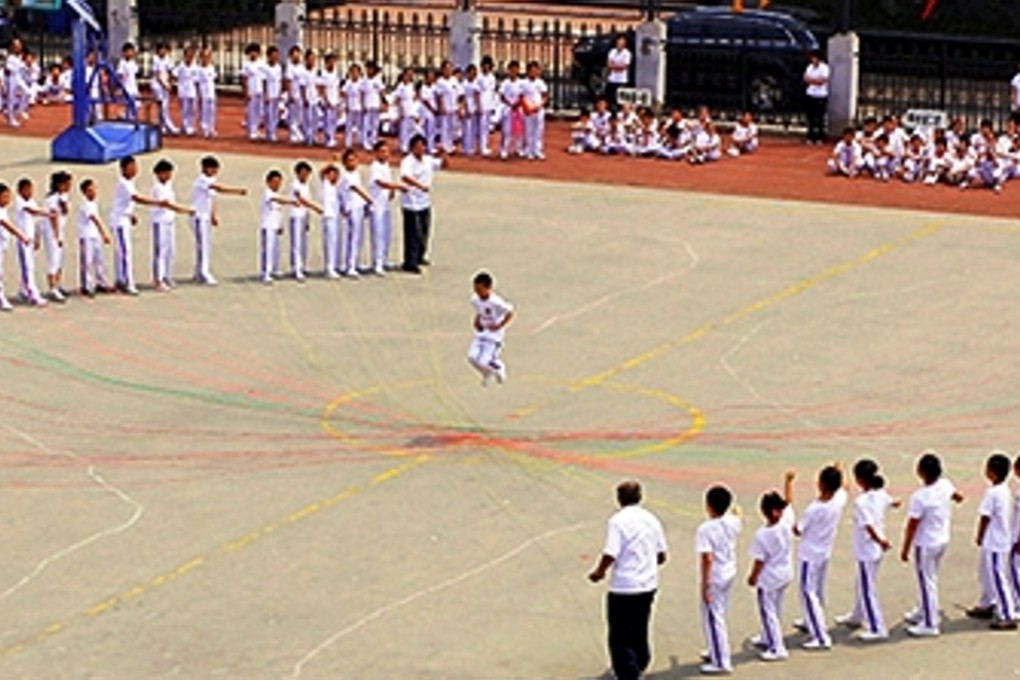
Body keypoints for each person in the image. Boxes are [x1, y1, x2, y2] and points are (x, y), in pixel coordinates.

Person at [588, 480, 667, 680]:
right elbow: (661, 555)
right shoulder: (652, 519)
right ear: (640, 497)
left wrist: (600, 571)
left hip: (624, 586)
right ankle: (641, 662)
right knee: (640, 627)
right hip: (647, 584)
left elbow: (610, 552)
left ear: (619, 499)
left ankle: (628, 672)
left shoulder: (618, 521)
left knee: (620, 634)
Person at [900, 450, 964, 637]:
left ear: (920, 472)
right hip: (942, 538)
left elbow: (912, 525)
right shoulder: (945, 485)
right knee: (930, 576)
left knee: (926, 580)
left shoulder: (920, 497)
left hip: (925, 543)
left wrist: (905, 548)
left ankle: (930, 622)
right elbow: (957, 495)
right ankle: (923, 609)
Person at [835, 459, 896, 641]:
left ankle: (877, 627)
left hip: (868, 549)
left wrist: (881, 541)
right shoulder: (881, 494)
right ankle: (857, 614)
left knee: (867, 588)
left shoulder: (861, 502)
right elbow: (889, 501)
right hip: (873, 550)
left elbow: (868, 526)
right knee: (861, 583)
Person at [793, 462, 847, 651]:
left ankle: (820, 635)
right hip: (824, 551)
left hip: (810, 554)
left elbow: (798, 530)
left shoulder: (814, 509)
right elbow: (843, 488)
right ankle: (813, 619)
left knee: (808, 592)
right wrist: (839, 470)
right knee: (817, 590)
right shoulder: (839, 500)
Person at [747, 471, 795, 664]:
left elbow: (759, 561)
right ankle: (768, 636)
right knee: (776, 608)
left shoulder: (763, 534)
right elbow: (789, 502)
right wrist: (788, 482)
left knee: (768, 611)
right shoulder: (786, 521)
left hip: (770, 577)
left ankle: (777, 647)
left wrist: (752, 577)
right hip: (785, 571)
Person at [966, 452, 1018, 629]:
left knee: (998, 575)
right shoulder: (1004, 490)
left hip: (996, 541)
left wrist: (979, 534)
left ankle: (1007, 613)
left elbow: (985, 517)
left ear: (992, 473)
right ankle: (986, 602)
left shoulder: (993, 493)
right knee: (985, 572)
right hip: (996, 539)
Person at [697, 485, 741, 675]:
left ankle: (722, 662)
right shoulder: (733, 522)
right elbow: (738, 513)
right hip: (729, 570)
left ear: (708, 506)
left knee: (714, 617)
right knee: (719, 612)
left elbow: (707, 559)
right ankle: (716, 649)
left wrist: (704, 584)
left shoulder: (705, 529)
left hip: (715, 575)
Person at [110, 156, 167, 296]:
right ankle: (127, 283)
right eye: (131, 167)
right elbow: (137, 198)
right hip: (119, 222)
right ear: (124, 169)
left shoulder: (129, 183)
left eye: (135, 167)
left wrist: (130, 214)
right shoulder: (124, 184)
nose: (135, 170)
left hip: (123, 218)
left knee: (121, 252)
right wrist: (157, 203)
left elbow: (123, 203)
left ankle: (121, 279)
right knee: (125, 252)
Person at [190, 155, 247, 286]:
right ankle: (204, 273)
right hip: (198, 217)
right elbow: (219, 189)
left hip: (206, 217)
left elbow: (213, 198)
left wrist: (213, 215)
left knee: (205, 245)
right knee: (203, 245)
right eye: (213, 169)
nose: (215, 171)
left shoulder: (210, 180)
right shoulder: (202, 180)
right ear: (205, 168)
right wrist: (237, 191)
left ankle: (199, 272)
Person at [399, 135, 447, 274]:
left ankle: (420, 255)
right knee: (412, 233)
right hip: (411, 202)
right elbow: (405, 177)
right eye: (418, 146)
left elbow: (443, 165)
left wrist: (443, 153)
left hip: (424, 201)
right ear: (412, 148)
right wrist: (420, 186)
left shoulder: (427, 160)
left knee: (424, 230)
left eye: (423, 146)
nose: (421, 149)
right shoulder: (407, 161)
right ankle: (410, 261)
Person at [149, 159, 195, 292]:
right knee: (160, 252)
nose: (169, 176)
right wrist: (185, 210)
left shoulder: (168, 185)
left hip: (169, 221)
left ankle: (167, 275)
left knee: (171, 250)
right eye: (166, 173)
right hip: (160, 222)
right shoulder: (157, 188)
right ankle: (158, 279)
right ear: (159, 174)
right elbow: (167, 204)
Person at [466, 270, 514, 386]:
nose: (477, 292)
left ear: (488, 288)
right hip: (481, 332)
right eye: (475, 289)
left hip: (493, 335)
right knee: (472, 357)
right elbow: (480, 311)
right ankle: (486, 373)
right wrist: (476, 321)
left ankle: (499, 366)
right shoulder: (475, 300)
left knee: (485, 360)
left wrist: (499, 325)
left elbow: (510, 312)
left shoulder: (496, 302)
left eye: (480, 289)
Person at [14, 177, 54, 306]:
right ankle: (33, 294)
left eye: (31, 189)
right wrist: (48, 214)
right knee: (28, 267)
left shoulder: (31, 201)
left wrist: (37, 238)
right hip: (23, 239)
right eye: (27, 190)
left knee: (30, 266)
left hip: (30, 239)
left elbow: (36, 221)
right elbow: (33, 211)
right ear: (20, 191)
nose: (30, 192)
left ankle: (23, 290)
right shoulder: (19, 202)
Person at [368, 141, 405, 276]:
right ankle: (377, 263)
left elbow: (387, 182)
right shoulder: (375, 167)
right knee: (378, 235)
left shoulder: (386, 166)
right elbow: (380, 182)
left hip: (385, 205)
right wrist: (397, 187)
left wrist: (392, 191)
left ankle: (384, 259)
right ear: (376, 153)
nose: (385, 154)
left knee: (386, 234)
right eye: (382, 151)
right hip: (376, 206)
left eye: (387, 151)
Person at [340, 149, 373, 278]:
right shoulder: (346, 176)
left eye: (354, 160)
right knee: (353, 237)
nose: (352, 163)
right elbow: (356, 189)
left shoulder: (356, 174)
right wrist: (369, 199)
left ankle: (355, 261)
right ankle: (350, 266)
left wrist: (365, 205)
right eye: (349, 160)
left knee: (358, 237)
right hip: (352, 208)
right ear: (344, 163)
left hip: (358, 207)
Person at [76, 178, 112, 298]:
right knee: (87, 262)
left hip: (94, 236)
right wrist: (104, 234)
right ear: (85, 192)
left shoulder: (93, 204)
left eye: (94, 189)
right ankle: (87, 286)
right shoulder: (85, 205)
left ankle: (101, 282)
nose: (93, 192)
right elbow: (95, 220)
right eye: (90, 190)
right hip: (86, 236)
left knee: (99, 260)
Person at [258, 170, 295, 285]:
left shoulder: (276, 194)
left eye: (279, 182)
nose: (277, 185)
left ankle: (274, 269)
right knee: (268, 250)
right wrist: (291, 201)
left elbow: (279, 211)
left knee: (276, 249)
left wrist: (280, 225)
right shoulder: (267, 193)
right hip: (267, 226)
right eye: (274, 182)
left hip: (274, 226)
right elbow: (277, 200)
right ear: (268, 182)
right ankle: (266, 273)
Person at [288, 160, 321, 281]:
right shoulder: (295, 185)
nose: (305, 176)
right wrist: (316, 208)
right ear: (297, 173)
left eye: (307, 173)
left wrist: (308, 219)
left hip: (303, 216)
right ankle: (296, 268)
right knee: (296, 243)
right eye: (303, 173)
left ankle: (302, 265)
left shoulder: (306, 186)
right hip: (296, 216)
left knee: (303, 243)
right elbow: (301, 200)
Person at [0, 182, 30, 311]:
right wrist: (21, 236)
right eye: (5, 196)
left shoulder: (3, 210)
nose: (8, 199)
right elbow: (7, 226)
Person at [319, 162, 342, 279]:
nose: (335, 177)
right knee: (330, 243)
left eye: (336, 175)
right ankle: (329, 268)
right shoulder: (325, 184)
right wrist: (332, 162)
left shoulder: (335, 187)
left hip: (335, 217)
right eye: (332, 174)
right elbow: (321, 172)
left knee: (335, 242)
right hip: (328, 217)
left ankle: (334, 265)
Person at [521, 61, 548, 160]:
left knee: (539, 130)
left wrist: (539, 105)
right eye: (531, 70)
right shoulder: (523, 83)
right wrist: (526, 107)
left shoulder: (540, 82)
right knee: (529, 130)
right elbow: (521, 97)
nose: (534, 72)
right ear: (528, 71)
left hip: (538, 109)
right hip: (528, 110)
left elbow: (545, 97)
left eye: (536, 70)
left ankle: (537, 150)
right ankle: (529, 150)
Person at [151, 43, 179, 135]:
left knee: (164, 106)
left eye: (165, 50)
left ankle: (161, 125)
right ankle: (169, 126)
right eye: (161, 50)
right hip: (158, 86)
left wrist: (171, 83)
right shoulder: (156, 60)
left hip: (165, 85)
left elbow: (172, 72)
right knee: (163, 106)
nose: (163, 52)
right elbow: (158, 76)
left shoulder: (168, 59)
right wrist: (165, 85)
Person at [498, 60, 524, 160]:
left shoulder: (521, 83)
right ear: (508, 70)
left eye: (515, 70)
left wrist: (517, 104)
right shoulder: (505, 83)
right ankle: (504, 149)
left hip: (518, 109)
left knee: (519, 130)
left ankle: (518, 148)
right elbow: (502, 96)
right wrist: (510, 104)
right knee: (507, 130)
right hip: (508, 109)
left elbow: (522, 95)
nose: (513, 72)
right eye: (511, 70)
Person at [803, 50, 829, 146]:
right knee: (811, 117)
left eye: (815, 58)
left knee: (820, 117)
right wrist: (814, 81)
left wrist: (812, 80)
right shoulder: (809, 67)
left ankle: (820, 137)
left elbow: (822, 81)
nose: (813, 60)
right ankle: (810, 136)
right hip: (810, 94)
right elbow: (805, 78)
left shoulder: (824, 68)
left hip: (821, 95)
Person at [241, 43, 265, 141]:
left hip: (259, 89)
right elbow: (243, 79)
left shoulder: (261, 63)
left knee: (259, 111)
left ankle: (256, 129)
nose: (253, 54)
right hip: (251, 89)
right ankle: (251, 131)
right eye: (251, 52)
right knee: (251, 111)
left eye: (255, 52)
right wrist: (246, 92)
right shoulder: (246, 64)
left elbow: (264, 78)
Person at [319, 53, 342, 149]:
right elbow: (322, 88)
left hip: (335, 99)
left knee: (333, 120)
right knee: (327, 120)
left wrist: (338, 99)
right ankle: (328, 138)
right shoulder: (323, 74)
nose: (332, 63)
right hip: (328, 101)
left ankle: (331, 137)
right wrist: (326, 100)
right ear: (326, 63)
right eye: (330, 61)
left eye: (333, 61)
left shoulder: (336, 73)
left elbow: (337, 87)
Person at [175, 46, 200, 137]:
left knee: (192, 110)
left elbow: (197, 81)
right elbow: (174, 75)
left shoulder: (196, 66)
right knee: (184, 110)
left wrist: (198, 92)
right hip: (183, 91)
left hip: (192, 91)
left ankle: (190, 126)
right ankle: (186, 127)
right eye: (188, 55)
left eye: (192, 55)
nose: (190, 57)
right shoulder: (180, 66)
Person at [284, 45, 306, 144]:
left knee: (300, 115)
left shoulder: (302, 67)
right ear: (291, 56)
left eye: (298, 54)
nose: (296, 57)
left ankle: (298, 132)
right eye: (294, 55)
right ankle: (293, 134)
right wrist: (290, 94)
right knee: (292, 115)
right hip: (293, 93)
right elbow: (288, 81)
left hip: (300, 94)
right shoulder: (290, 67)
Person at [362, 60, 385, 150]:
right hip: (367, 104)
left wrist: (383, 103)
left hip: (376, 104)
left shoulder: (377, 80)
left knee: (375, 124)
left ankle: (373, 140)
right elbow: (362, 93)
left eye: (371, 68)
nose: (369, 70)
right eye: (368, 68)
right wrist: (363, 104)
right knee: (366, 124)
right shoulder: (364, 80)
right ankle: (366, 142)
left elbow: (381, 92)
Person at [263, 46, 284, 143]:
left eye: (276, 56)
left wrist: (280, 92)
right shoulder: (265, 68)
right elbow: (264, 81)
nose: (275, 58)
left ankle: (273, 131)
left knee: (275, 114)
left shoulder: (278, 67)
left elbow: (279, 80)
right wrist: (266, 94)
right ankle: (269, 132)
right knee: (269, 114)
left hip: (276, 93)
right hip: (269, 93)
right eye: (273, 56)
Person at [605, 35, 632, 110]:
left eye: (621, 43)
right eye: (618, 43)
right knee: (610, 100)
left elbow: (624, 66)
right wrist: (615, 66)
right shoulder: (612, 51)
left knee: (620, 102)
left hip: (622, 81)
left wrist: (614, 66)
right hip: (611, 79)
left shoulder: (627, 53)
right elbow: (608, 64)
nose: (619, 45)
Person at [343, 63, 366, 150]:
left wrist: (363, 105)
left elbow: (363, 95)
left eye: (356, 72)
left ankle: (360, 141)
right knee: (348, 125)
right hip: (350, 105)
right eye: (352, 72)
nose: (354, 74)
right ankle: (348, 142)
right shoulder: (348, 83)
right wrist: (346, 105)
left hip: (359, 106)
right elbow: (344, 94)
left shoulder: (361, 83)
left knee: (360, 125)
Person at [196, 48, 218, 139]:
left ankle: (211, 128)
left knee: (212, 111)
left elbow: (212, 80)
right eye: (204, 57)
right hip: (203, 92)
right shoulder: (198, 69)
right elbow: (197, 83)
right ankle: (204, 129)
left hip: (211, 92)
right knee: (204, 111)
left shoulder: (211, 68)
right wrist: (199, 94)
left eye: (208, 57)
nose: (206, 59)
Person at [116, 42, 140, 116]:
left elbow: (136, 72)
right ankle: (125, 117)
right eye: (129, 51)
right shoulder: (122, 63)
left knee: (136, 106)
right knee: (129, 107)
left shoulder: (133, 62)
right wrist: (120, 88)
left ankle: (123, 116)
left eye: (132, 51)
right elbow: (120, 76)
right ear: (124, 52)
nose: (131, 53)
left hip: (133, 87)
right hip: (127, 88)